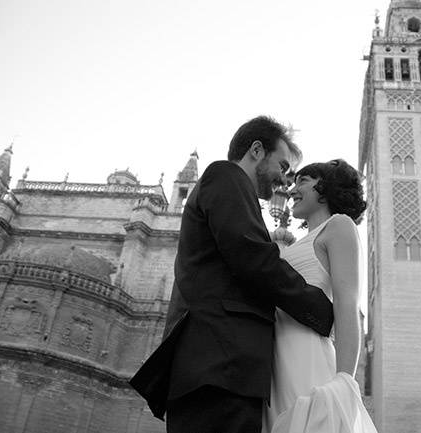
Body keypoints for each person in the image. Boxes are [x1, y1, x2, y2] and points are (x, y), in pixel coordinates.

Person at [129, 116, 335, 433]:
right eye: (282, 166)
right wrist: (321, 310)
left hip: (221, 368)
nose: (284, 181)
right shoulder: (224, 177)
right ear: (256, 150)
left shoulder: (234, 191)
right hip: (219, 367)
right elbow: (254, 259)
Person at [262, 159, 377, 433]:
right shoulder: (293, 243)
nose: (292, 191)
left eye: (302, 181)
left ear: (326, 187)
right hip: (273, 361)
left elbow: (347, 307)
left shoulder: (339, 226)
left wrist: (344, 381)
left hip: (306, 356)